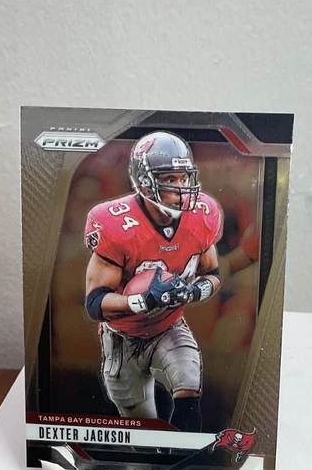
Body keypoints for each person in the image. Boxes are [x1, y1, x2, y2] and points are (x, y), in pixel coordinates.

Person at [83, 131, 222, 432]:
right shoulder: (114, 223)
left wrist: (193, 292)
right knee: (141, 426)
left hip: (169, 327)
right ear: (144, 181)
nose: (181, 188)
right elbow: (94, 303)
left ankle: (186, 457)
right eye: (170, 179)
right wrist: (143, 300)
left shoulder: (202, 214)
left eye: (184, 178)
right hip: (122, 338)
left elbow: (213, 274)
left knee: (189, 386)